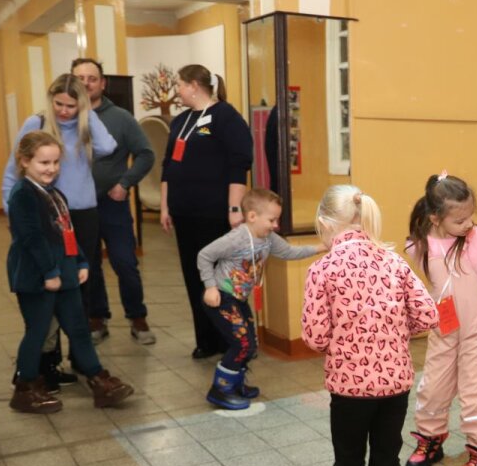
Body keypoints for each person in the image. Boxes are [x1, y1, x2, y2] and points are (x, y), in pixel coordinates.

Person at [301, 185, 437, 466]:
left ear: (325, 223)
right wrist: (393, 333)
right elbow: (427, 315)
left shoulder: (323, 270)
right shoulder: (393, 262)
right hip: (394, 385)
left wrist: (347, 339)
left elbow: (315, 337)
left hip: (349, 391)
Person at [2, 74, 117, 390]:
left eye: (72, 105)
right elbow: (13, 171)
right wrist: (14, 217)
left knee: (78, 295)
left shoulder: (84, 126)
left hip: (77, 214)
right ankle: (42, 368)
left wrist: (87, 113)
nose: (64, 111)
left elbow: (108, 146)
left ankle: (84, 363)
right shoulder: (37, 124)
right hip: (40, 216)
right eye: (59, 104)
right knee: (45, 305)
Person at [6, 131, 134, 414]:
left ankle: (99, 381)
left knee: (79, 329)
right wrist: (49, 272)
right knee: (38, 332)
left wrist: (81, 262)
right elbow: (32, 238)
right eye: (44, 163)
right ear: (24, 161)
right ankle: (25, 389)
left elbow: (68, 233)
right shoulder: (23, 195)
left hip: (65, 273)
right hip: (38, 276)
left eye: (55, 162)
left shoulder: (55, 194)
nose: (51, 168)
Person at [405, 173, 477, 466]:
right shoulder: (419, 243)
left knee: (475, 394)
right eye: (460, 220)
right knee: (432, 387)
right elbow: (435, 286)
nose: (468, 224)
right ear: (435, 218)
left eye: (470, 217)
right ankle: (430, 439)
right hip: (445, 329)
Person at [159, 64, 253, 360]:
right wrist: (165, 206)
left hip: (214, 214)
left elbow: (239, 164)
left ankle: (233, 340)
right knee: (194, 277)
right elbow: (168, 166)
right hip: (184, 213)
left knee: (221, 279)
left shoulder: (225, 116)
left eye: (179, 84)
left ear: (193, 86)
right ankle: (206, 340)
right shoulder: (180, 121)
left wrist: (235, 208)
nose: (177, 90)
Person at [197, 189, 320, 410]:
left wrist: (323, 247)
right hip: (222, 298)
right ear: (252, 216)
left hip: (238, 299)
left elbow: (289, 252)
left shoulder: (268, 238)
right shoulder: (236, 238)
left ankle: (235, 384)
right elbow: (204, 255)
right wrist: (210, 287)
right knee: (242, 344)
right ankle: (221, 390)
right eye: (272, 220)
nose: (276, 225)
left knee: (251, 344)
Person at [70, 58, 158, 345]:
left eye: (92, 78)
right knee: (89, 265)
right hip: (78, 207)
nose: (86, 83)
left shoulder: (121, 118)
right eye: (79, 78)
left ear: (103, 83)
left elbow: (146, 153)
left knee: (125, 262)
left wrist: (125, 184)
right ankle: (97, 317)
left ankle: (137, 317)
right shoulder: (66, 116)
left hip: (113, 204)